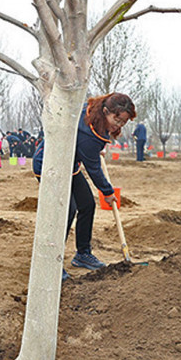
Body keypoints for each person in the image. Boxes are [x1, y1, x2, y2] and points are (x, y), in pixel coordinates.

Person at [33, 93, 136, 280]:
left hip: (68, 166)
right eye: (117, 119)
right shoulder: (89, 133)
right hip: (49, 166)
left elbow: (88, 150)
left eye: (123, 122)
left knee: (87, 204)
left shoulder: (93, 114)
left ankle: (82, 254)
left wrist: (97, 148)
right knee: (67, 210)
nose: (118, 125)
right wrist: (108, 192)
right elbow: (94, 168)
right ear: (106, 111)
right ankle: (51, 262)